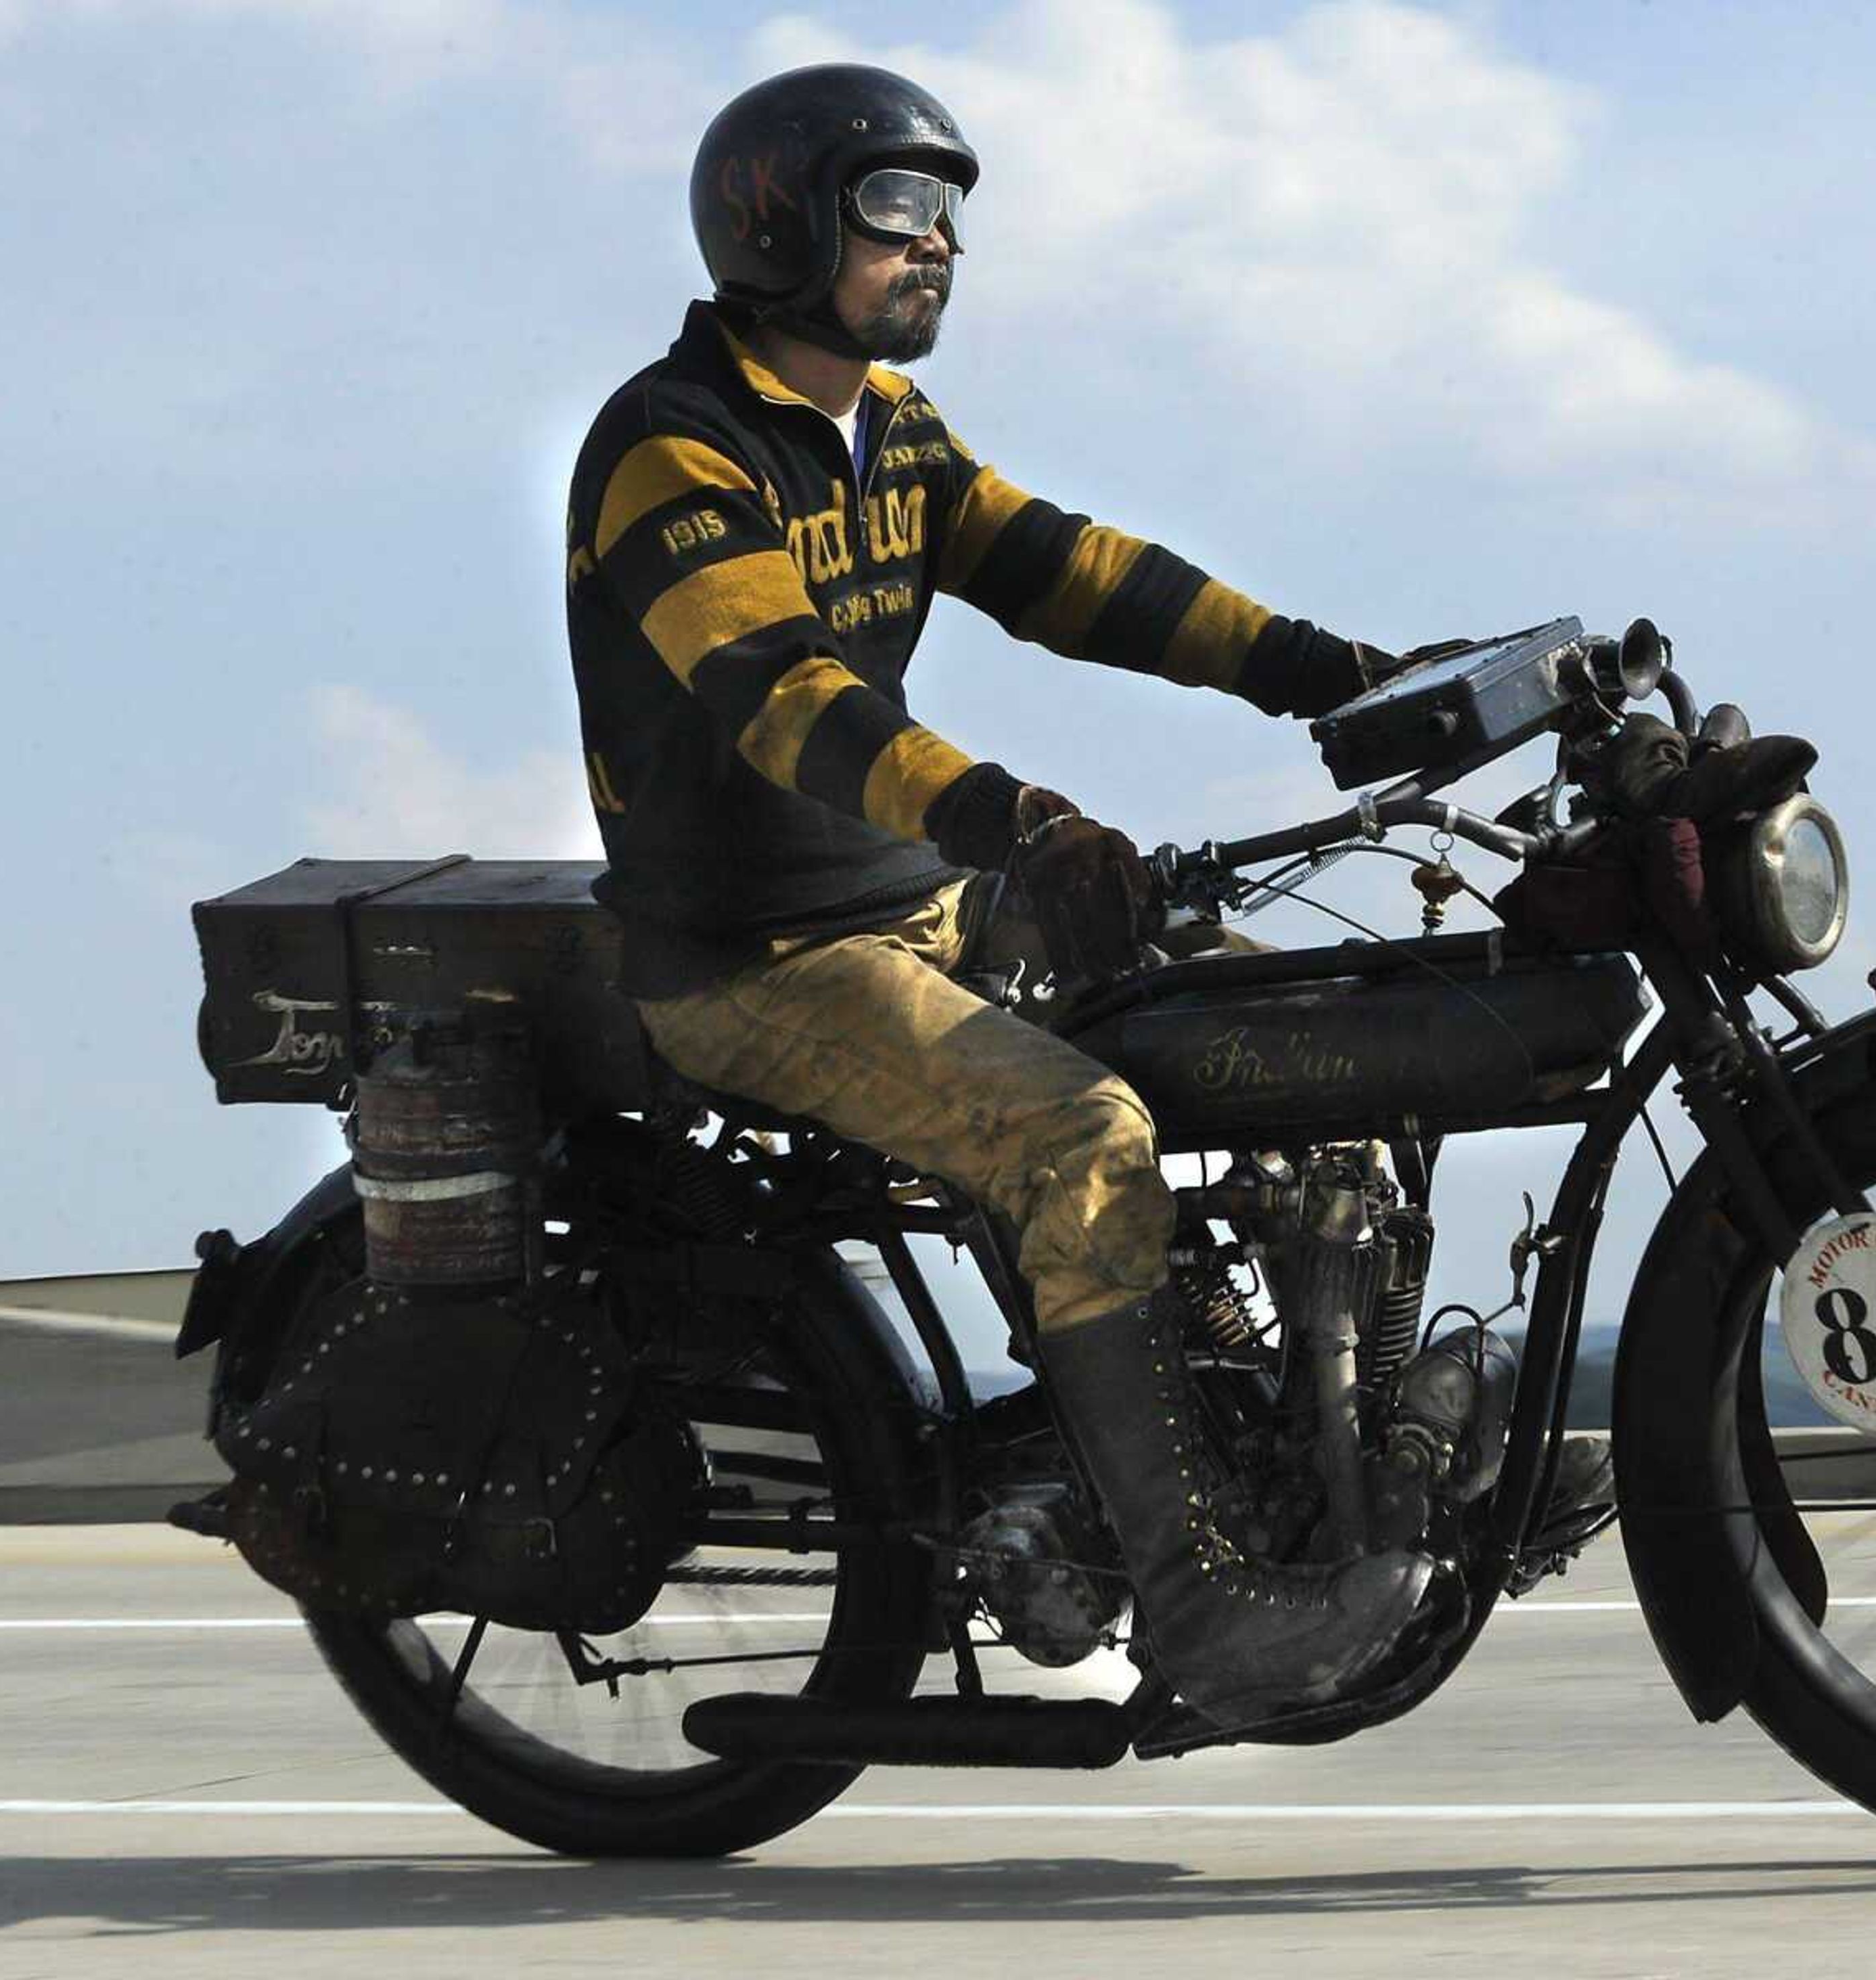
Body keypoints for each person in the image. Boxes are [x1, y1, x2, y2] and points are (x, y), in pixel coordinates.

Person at [564, 64, 1446, 1725]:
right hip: (760, 954)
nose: (941, 245)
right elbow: (785, 696)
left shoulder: (890, 430)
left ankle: (1329, 1445)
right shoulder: (668, 447)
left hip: (917, 900)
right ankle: (1194, 1602)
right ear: (785, 220)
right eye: (901, 209)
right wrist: (1018, 817)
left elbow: (1081, 574)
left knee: (1319, 1029)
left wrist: (1346, 676)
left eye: (955, 213)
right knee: (1078, 1133)